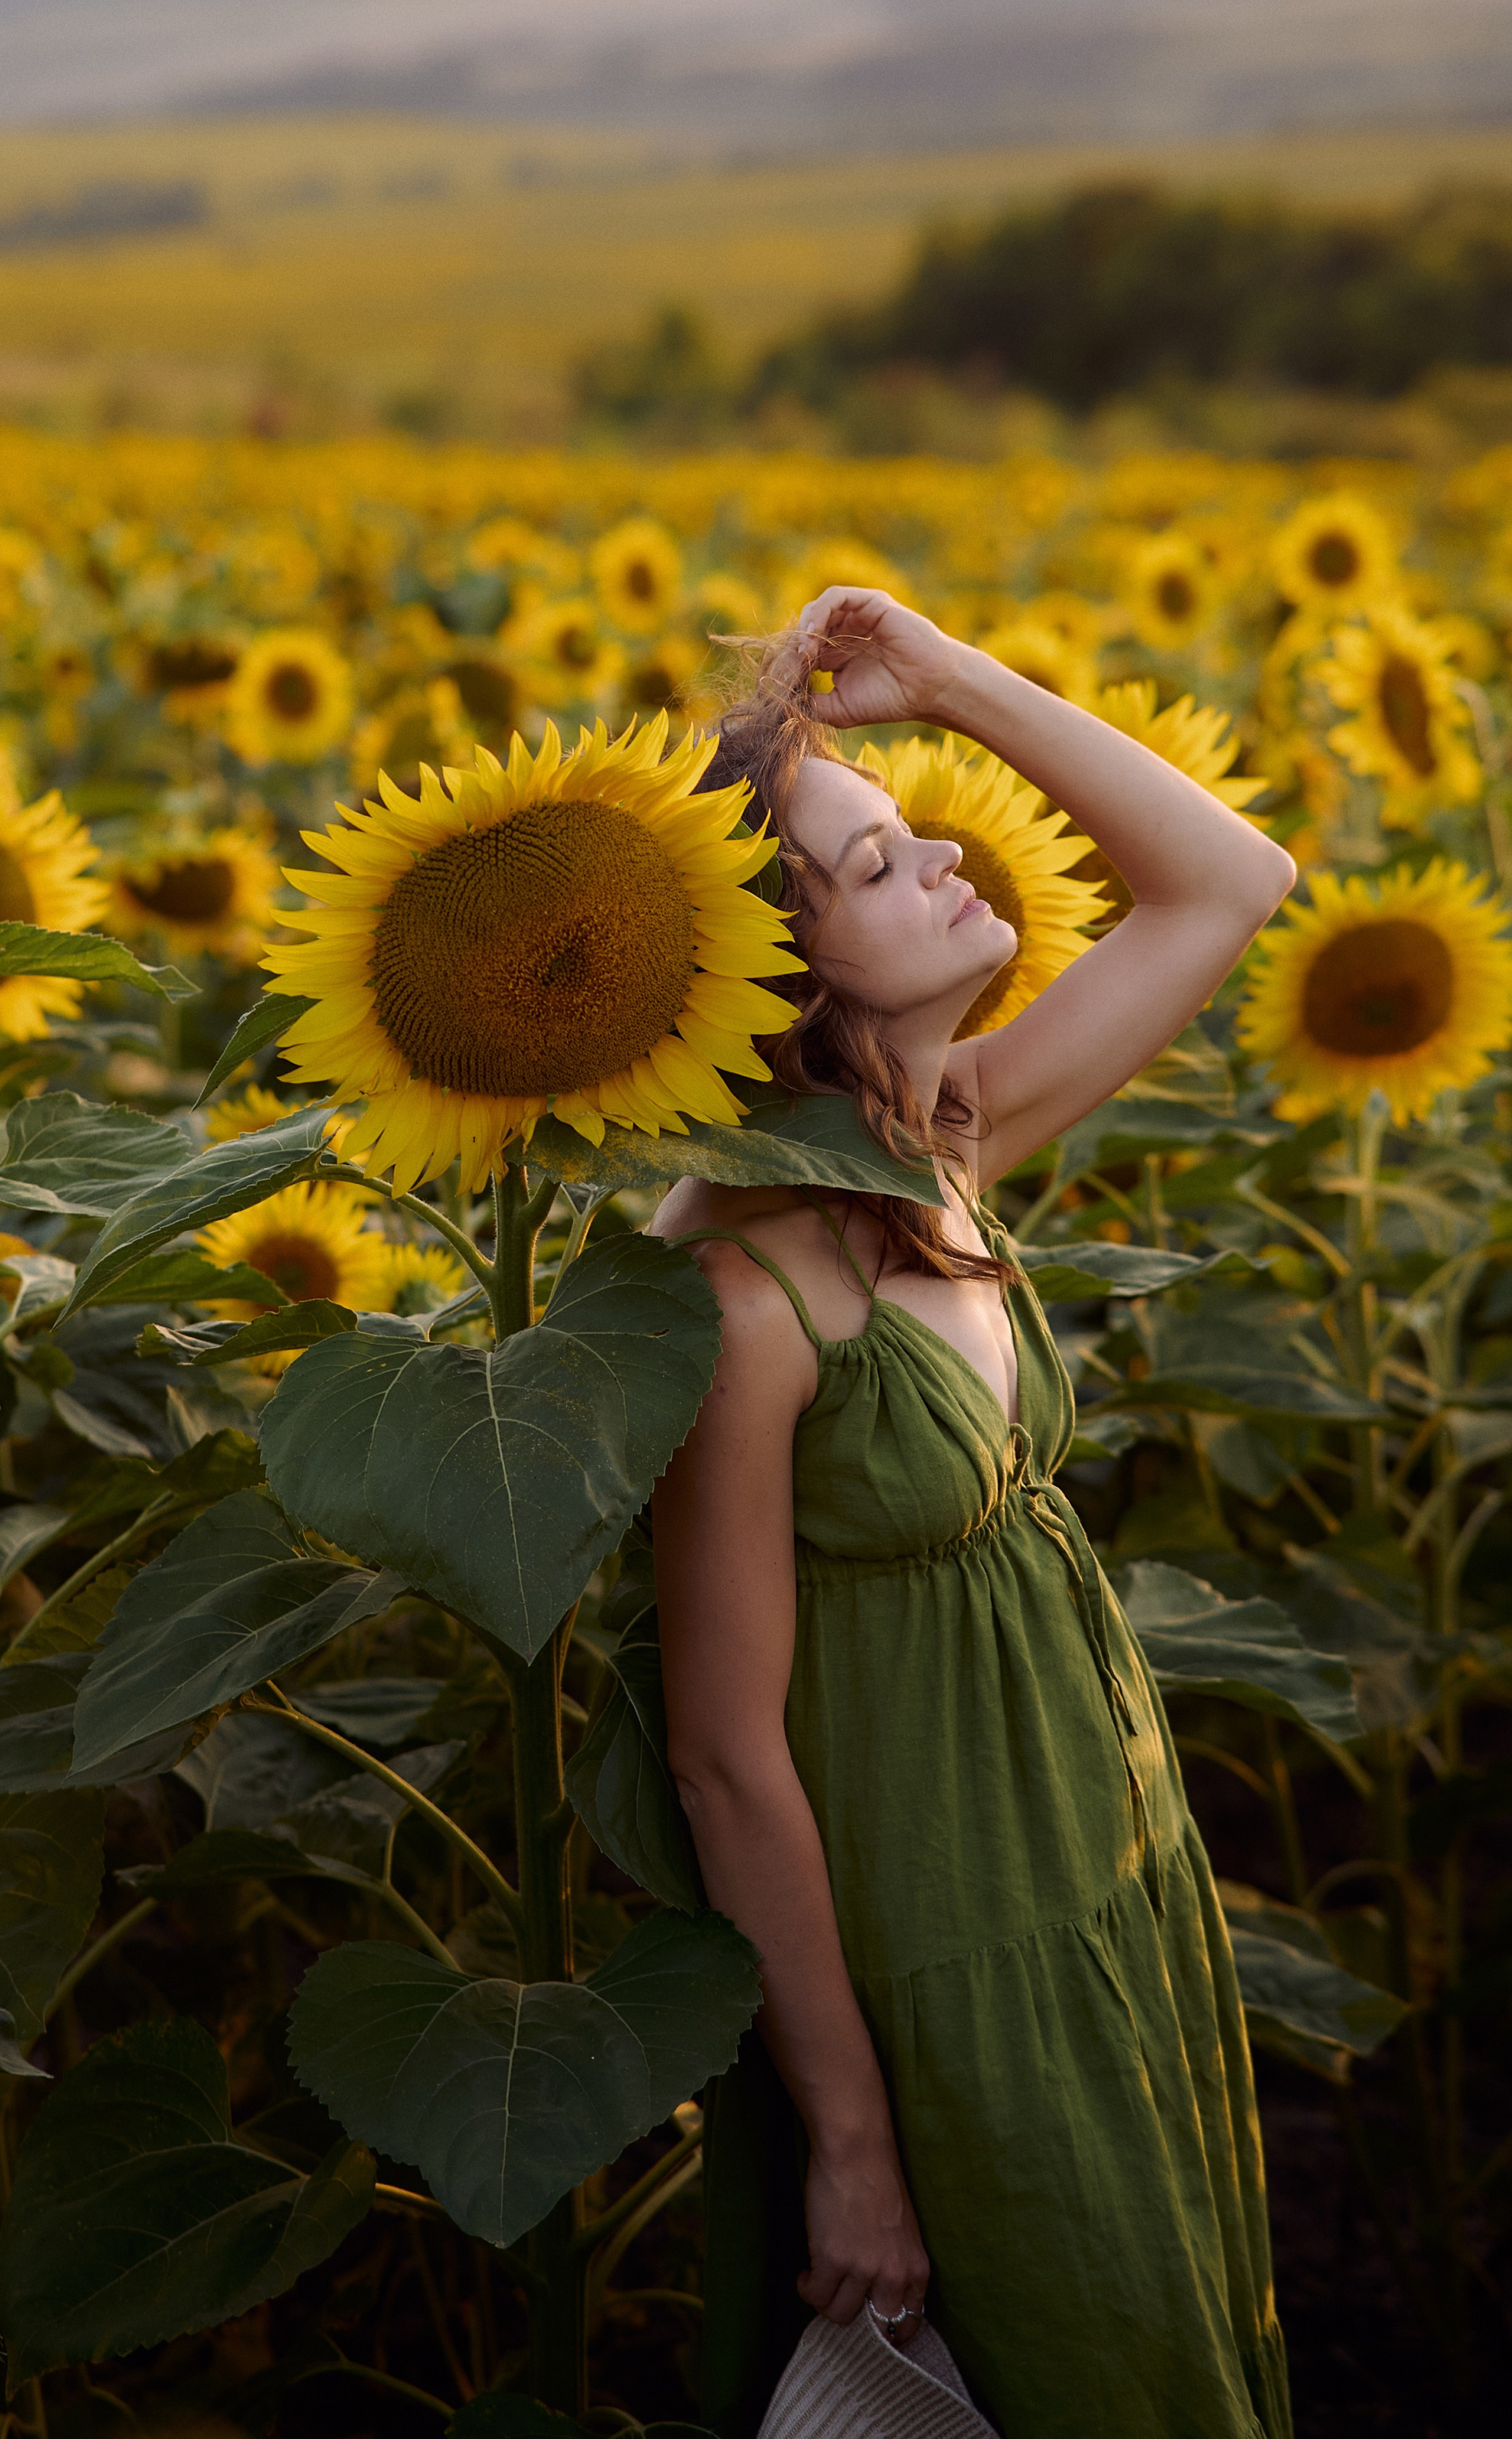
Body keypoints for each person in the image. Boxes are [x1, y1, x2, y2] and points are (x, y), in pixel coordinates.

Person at [649, 587, 1298, 2439]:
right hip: (945, 1942)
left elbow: (1232, 880)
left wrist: (946, 682)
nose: (941, 852)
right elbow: (724, 1758)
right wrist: (853, 2138)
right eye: (872, 862)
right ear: (787, 971)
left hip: (1103, 1870)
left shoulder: (939, 1153)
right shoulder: (745, 1290)